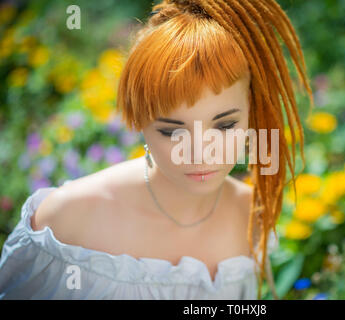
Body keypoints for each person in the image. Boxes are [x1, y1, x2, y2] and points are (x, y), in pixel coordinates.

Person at [0, 0, 313, 299]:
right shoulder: (68, 220)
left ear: (252, 112)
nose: (201, 152)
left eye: (224, 126)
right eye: (172, 131)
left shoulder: (251, 215)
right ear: (140, 122)